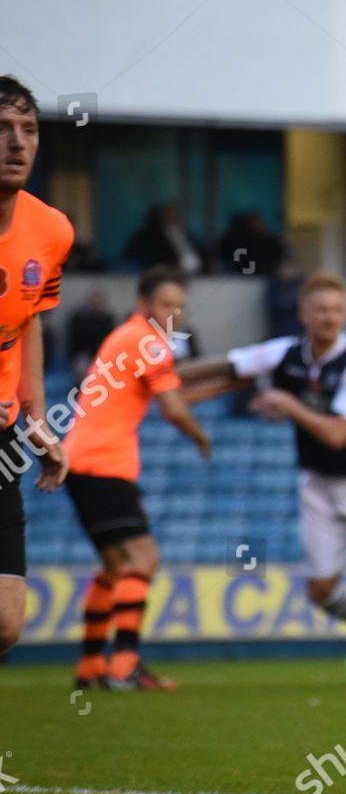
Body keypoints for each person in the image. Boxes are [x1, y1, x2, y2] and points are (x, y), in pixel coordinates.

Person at [178, 272, 346, 686]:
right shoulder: (286, 353)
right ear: (303, 313)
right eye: (322, 309)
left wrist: (288, 403)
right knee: (320, 591)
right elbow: (229, 366)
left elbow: (339, 435)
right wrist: (162, 381)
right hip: (321, 485)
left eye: (337, 310)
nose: (330, 317)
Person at [64, 267, 212, 690]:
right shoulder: (148, 342)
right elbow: (173, 408)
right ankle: (125, 664)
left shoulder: (128, 339)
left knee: (114, 566)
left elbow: (170, 393)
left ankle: (91, 667)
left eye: (179, 307)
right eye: (166, 304)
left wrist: (225, 383)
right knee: (144, 560)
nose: (174, 314)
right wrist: (200, 435)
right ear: (143, 304)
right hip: (105, 464)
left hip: (80, 461)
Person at [0, 75, 71, 656]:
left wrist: (37, 417)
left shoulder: (51, 230)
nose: (16, 143)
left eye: (28, 129)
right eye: (1, 129)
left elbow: (29, 321)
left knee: (5, 621)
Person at [125, 203, 203, 274]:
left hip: (198, 272)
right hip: (168, 273)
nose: (172, 217)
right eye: (167, 214)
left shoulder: (184, 233)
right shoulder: (150, 236)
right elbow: (150, 257)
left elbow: (198, 250)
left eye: (174, 214)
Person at [66, 290, 114, 380]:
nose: (96, 304)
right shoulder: (79, 319)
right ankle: (81, 390)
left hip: (101, 355)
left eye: (98, 301)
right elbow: (75, 342)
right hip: (83, 355)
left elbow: (109, 341)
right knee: (81, 367)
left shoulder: (107, 320)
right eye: (94, 301)